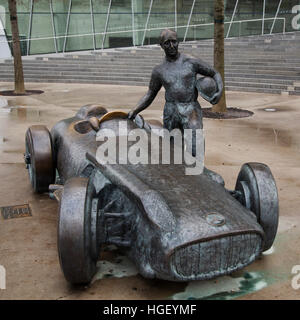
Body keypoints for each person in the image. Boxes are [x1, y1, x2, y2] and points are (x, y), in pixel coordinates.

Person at [128, 28, 223, 157]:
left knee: (195, 141)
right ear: (161, 45)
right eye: (167, 43)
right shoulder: (159, 70)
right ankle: (177, 173)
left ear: (178, 42)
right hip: (171, 110)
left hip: (190, 108)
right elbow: (150, 93)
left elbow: (214, 73)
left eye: (174, 41)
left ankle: (197, 173)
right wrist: (135, 110)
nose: (172, 46)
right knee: (171, 148)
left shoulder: (191, 62)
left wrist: (219, 91)